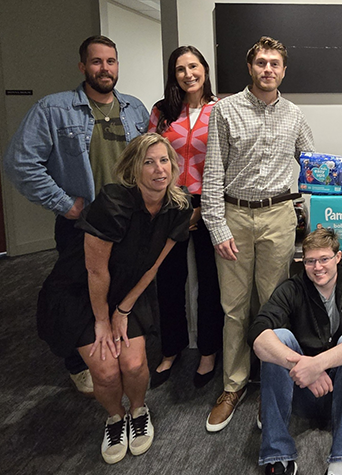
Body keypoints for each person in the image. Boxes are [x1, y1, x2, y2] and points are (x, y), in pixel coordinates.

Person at [3, 35, 149, 396]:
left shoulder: (134, 109)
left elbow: (149, 160)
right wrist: (65, 202)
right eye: (97, 62)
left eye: (111, 61)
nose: (105, 68)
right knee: (76, 294)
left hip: (127, 222)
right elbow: (20, 163)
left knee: (119, 288)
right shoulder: (53, 110)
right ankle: (75, 359)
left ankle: (115, 351)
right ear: (83, 66)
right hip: (81, 224)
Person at [35, 133, 191, 463]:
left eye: (164, 160)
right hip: (79, 292)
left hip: (127, 292)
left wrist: (124, 308)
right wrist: (103, 321)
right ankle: (115, 417)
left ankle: (138, 411)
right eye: (148, 162)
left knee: (133, 364)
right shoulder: (112, 202)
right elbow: (96, 272)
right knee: (105, 372)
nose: (158, 169)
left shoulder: (178, 206)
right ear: (134, 170)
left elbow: (153, 267)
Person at [201, 36, 315, 431]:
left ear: (284, 70)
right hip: (233, 215)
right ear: (250, 68)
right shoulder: (225, 111)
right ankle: (233, 385)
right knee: (234, 307)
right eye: (261, 63)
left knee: (274, 305)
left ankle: (274, 387)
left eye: (275, 64)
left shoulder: (295, 115)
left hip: (279, 217)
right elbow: (212, 172)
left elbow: (315, 168)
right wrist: (216, 226)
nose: (268, 69)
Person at [248, 228, 342, 475]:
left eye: (324, 259)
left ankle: (341, 460)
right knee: (279, 338)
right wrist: (302, 367)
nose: (317, 267)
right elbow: (257, 334)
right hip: (301, 389)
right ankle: (278, 457)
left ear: (338, 257)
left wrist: (318, 364)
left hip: (341, 392)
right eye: (310, 261)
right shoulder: (293, 288)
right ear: (303, 262)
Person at [147, 46, 224, 389]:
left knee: (210, 281)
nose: (188, 74)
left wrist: (202, 209)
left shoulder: (221, 109)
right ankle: (170, 349)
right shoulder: (162, 112)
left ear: (205, 69)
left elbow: (229, 162)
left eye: (194, 66)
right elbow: (149, 157)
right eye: (180, 68)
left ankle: (208, 352)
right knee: (168, 279)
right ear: (173, 73)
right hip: (168, 203)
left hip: (210, 204)